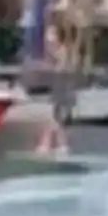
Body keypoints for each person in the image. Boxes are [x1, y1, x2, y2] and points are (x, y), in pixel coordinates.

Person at [34, 20, 76, 156]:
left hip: (63, 89)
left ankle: (47, 145)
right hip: (57, 89)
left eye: (51, 34)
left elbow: (64, 69)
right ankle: (59, 145)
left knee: (54, 118)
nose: (48, 37)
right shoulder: (53, 53)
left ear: (58, 36)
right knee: (56, 119)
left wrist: (50, 68)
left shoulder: (62, 51)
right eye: (48, 34)